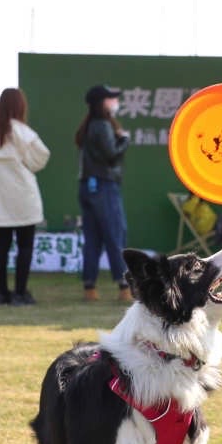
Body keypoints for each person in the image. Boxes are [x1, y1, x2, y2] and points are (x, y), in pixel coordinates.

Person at [0, 87, 49, 306]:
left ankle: (2, 294)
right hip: (23, 198)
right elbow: (41, 159)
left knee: (1, 247)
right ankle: (20, 292)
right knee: (25, 247)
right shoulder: (24, 133)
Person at [75, 83, 131, 302]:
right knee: (115, 235)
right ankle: (124, 286)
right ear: (102, 103)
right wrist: (124, 140)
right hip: (104, 186)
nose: (114, 102)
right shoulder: (102, 125)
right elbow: (111, 154)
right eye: (110, 98)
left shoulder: (89, 125)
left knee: (93, 239)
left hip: (88, 186)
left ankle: (90, 287)